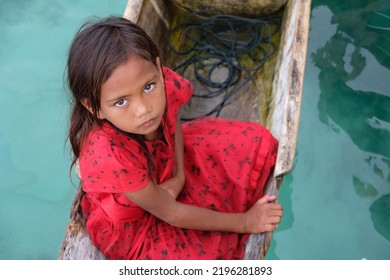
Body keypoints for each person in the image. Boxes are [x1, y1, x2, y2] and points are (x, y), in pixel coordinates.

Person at [66, 16, 282, 260]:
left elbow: (172, 117)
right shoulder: (111, 155)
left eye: (148, 87)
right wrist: (245, 221)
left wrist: (179, 175)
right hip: (137, 223)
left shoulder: (161, 84)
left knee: (255, 143)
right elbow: (171, 212)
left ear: (158, 69)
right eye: (121, 102)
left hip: (166, 169)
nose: (144, 109)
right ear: (94, 108)